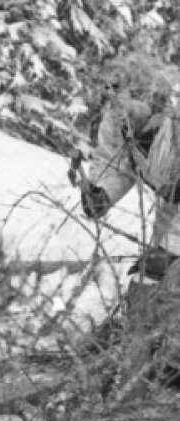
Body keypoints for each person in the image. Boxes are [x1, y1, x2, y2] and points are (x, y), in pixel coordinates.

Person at [80, 54, 180, 281]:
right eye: (111, 90)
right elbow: (116, 161)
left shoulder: (173, 122)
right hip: (171, 204)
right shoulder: (120, 121)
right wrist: (103, 193)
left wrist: (172, 250)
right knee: (154, 278)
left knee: (166, 267)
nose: (116, 99)